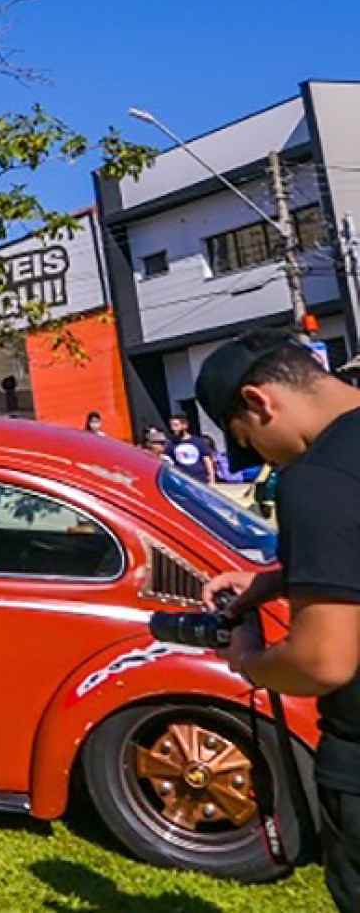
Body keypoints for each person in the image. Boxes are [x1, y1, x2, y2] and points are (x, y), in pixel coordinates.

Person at [196, 331, 360, 911]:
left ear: (259, 401)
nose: (267, 458)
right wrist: (281, 577)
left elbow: (324, 660)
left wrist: (249, 664)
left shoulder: (316, 478)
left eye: (250, 442)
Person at [165, 413, 217, 483]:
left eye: (176, 425)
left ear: (185, 426)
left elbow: (207, 461)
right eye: (172, 426)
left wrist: (212, 480)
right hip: (182, 479)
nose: (173, 428)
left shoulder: (198, 442)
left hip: (200, 479)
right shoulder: (171, 444)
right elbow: (167, 459)